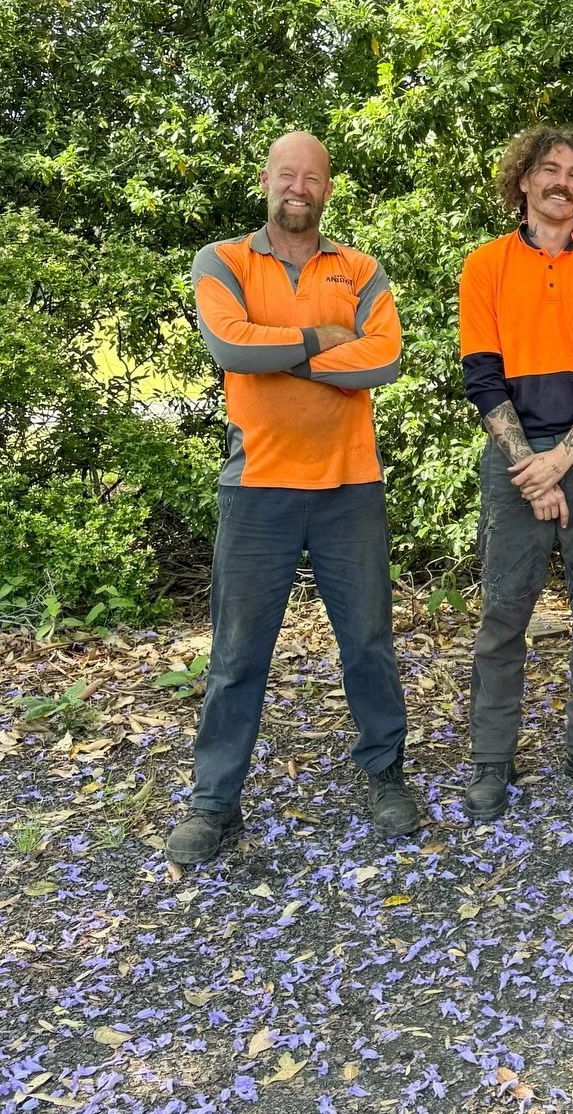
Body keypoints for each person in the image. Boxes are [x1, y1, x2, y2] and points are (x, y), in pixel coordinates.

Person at [166, 131, 419, 868]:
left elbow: (385, 359)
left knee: (368, 643)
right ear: (266, 181)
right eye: (286, 175)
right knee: (238, 654)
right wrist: (323, 339)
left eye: (312, 178)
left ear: (328, 190)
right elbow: (230, 348)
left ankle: (385, 775)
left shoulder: (362, 269)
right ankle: (214, 803)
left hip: (350, 485)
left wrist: (283, 356)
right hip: (258, 489)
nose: (298, 187)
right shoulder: (224, 260)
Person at [458, 125, 573, 819]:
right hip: (513, 456)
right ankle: (490, 760)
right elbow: (481, 377)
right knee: (504, 614)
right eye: (549, 169)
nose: (562, 181)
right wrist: (526, 465)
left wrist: (560, 460)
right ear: (524, 180)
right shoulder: (486, 266)